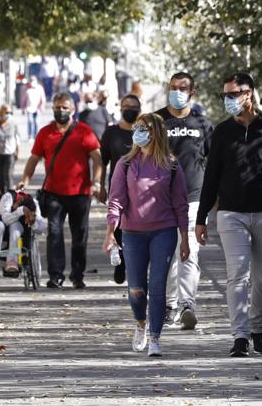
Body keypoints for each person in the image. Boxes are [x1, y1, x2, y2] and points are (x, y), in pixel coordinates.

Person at [195, 73, 262, 358]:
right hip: (231, 215)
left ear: (249, 93)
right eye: (224, 95)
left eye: (233, 94)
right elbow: (211, 176)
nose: (228, 100)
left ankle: (257, 328)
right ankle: (239, 336)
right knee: (236, 276)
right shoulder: (222, 132)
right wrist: (201, 218)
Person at [103, 113, 190, 358]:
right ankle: (140, 323)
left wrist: (184, 238)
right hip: (132, 233)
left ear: (156, 133)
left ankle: (155, 338)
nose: (138, 132)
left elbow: (180, 204)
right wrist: (110, 233)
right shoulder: (126, 164)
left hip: (164, 231)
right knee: (136, 290)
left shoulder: (171, 165)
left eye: (144, 128)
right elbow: (116, 200)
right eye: (137, 127)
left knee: (158, 286)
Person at [20, 93, 103, 289]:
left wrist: (97, 182)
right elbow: (33, 159)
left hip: (80, 193)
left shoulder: (84, 131)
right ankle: (55, 276)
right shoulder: (45, 133)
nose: (61, 111)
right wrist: (24, 180)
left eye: (65, 107)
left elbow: (97, 159)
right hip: (53, 193)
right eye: (57, 107)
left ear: (73, 109)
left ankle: (77, 275)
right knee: (54, 233)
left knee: (79, 236)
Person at [153, 72, 213, 330]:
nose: (177, 92)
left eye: (182, 88)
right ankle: (169, 306)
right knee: (166, 255)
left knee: (190, 253)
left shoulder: (202, 124)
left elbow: (215, 162)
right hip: (160, 200)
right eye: (173, 87)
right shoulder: (156, 121)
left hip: (193, 199)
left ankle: (188, 304)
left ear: (192, 92)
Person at [98, 94, 142, 284]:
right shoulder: (111, 133)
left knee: (137, 225)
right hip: (118, 186)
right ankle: (120, 264)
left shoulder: (143, 132)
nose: (129, 109)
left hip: (142, 187)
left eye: (133, 106)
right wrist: (99, 185)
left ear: (139, 109)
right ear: (120, 108)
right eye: (126, 106)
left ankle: (135, 263)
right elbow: (102, 161)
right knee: (117, 224)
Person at [0, 188, 46, 275]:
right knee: (0, 226)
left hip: (17, 228)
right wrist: (21, 211)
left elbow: (42, 229)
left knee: (15, 228)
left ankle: (12, 259)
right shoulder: (8, 197)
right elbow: (5, 219)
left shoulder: (34, 203)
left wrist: (33, 221)